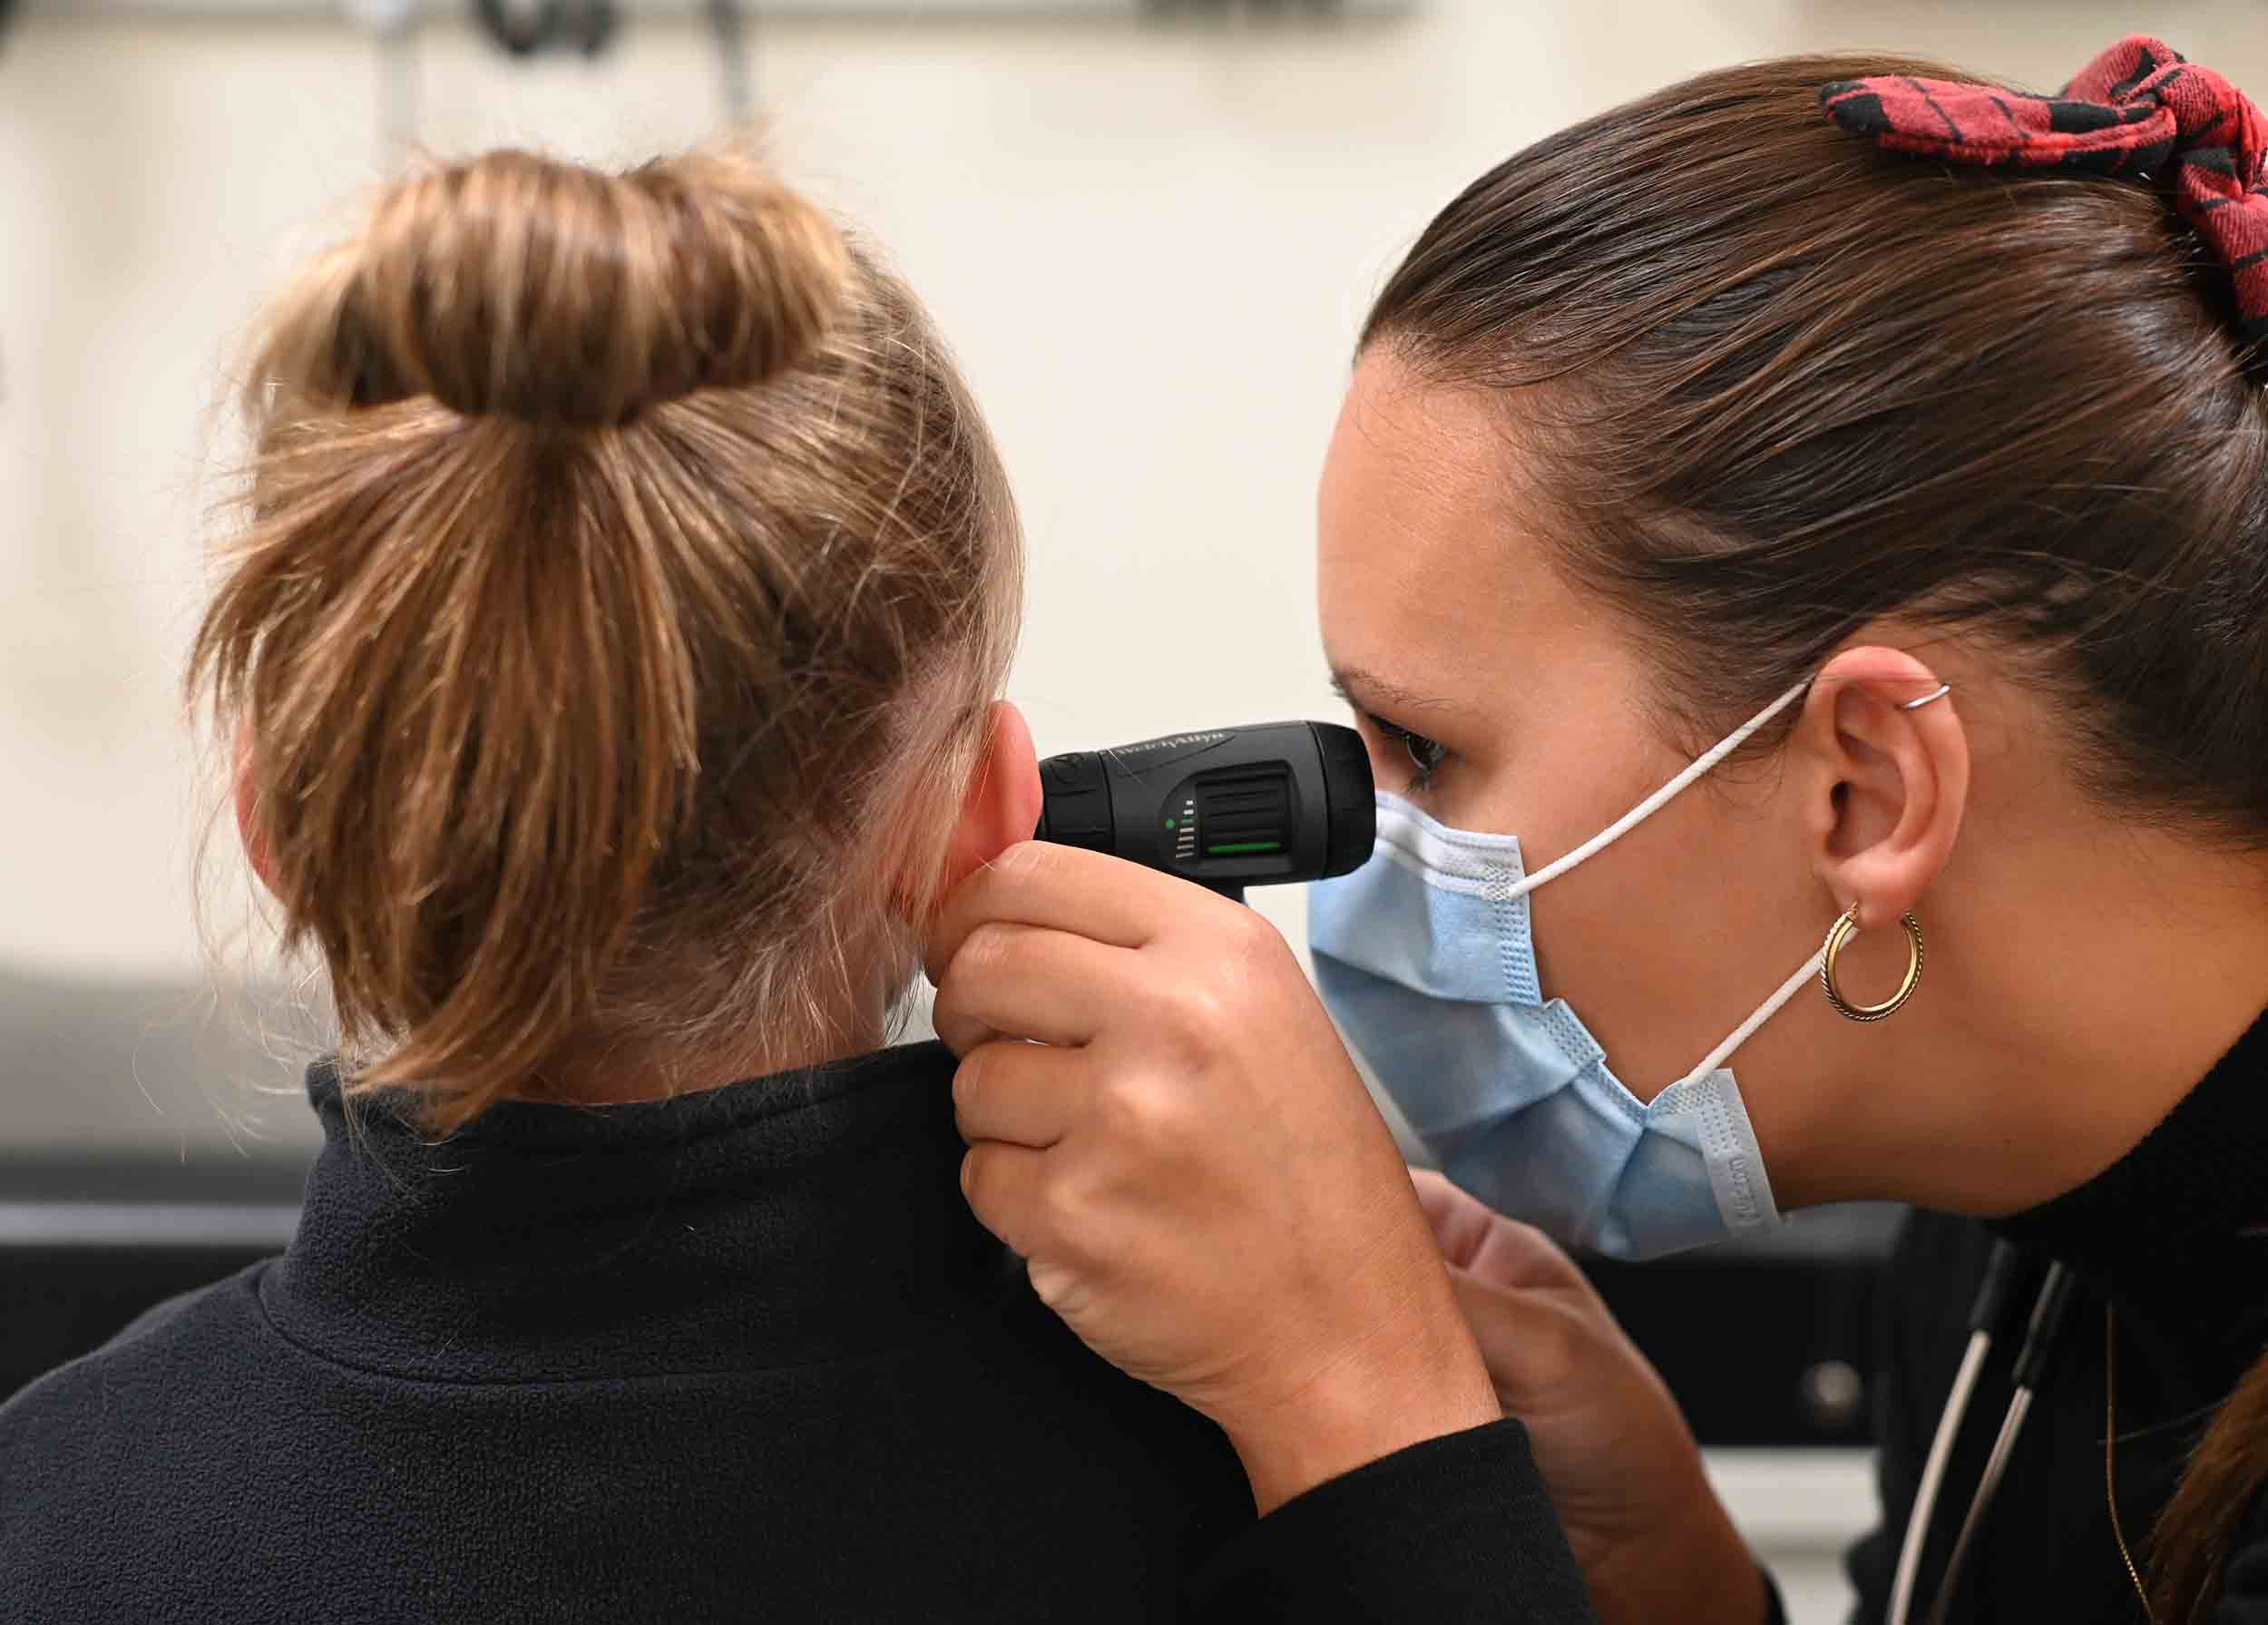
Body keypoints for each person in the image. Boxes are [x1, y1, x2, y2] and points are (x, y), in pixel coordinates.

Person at [0, 148, 1589, 1621]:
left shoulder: (52, 1513)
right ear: (983, 818)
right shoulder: (1299, 1484)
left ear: (280, 818)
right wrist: (1399, 1414)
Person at [927, 38, 2268, 1625]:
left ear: (1871, 793)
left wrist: (1367, 1411)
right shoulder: (2002, 1227)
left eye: (1429, 748)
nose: (1370, 841)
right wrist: (1689, 1591)